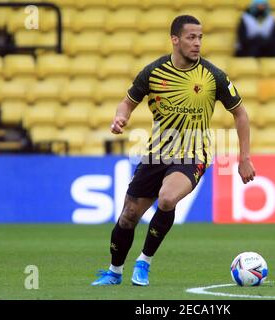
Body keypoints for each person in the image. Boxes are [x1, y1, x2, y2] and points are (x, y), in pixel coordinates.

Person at [91, 15, 256, 287]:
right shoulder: (153, 72)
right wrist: (121, 118)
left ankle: (144, 262)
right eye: (191, 37)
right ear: (175, 39)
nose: (197, 43)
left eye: (200, 37)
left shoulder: (213, 76)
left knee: (167, 199)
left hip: (194, 154)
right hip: (157, 154)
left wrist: (244, 158)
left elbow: (240, 113)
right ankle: (114, 271)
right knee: (128, 216)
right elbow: (127, 103)